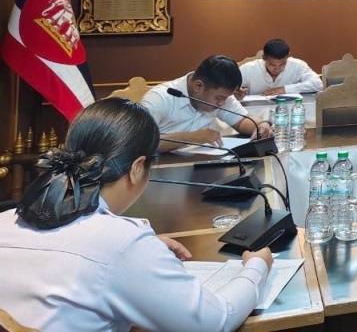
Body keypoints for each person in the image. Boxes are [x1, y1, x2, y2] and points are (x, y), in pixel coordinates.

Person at [0, 98, 272, 331]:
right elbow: (214, 322)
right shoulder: (120, 244)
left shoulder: (8, 219)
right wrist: (256, 267)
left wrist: (141, 251)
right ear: (137, 167)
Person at [141, 55, 272, 151]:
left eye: (225, 98)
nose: (222, 103)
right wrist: (192, 138)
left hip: (200, 163)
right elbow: (141, 142)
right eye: (219, 98)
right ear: (198, 86)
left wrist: (261, 125)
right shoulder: (159, 99)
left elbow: (242, 120)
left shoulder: (221, 95)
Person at [238, 38, 323, 96]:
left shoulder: (297, 65)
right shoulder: (249, 68)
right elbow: (232, 86)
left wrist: (284, 89)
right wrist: (236, 92)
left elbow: (318, 84)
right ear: (264, 57)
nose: (277, 68)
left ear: (288, 56)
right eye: (272, 64)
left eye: (282, 64)